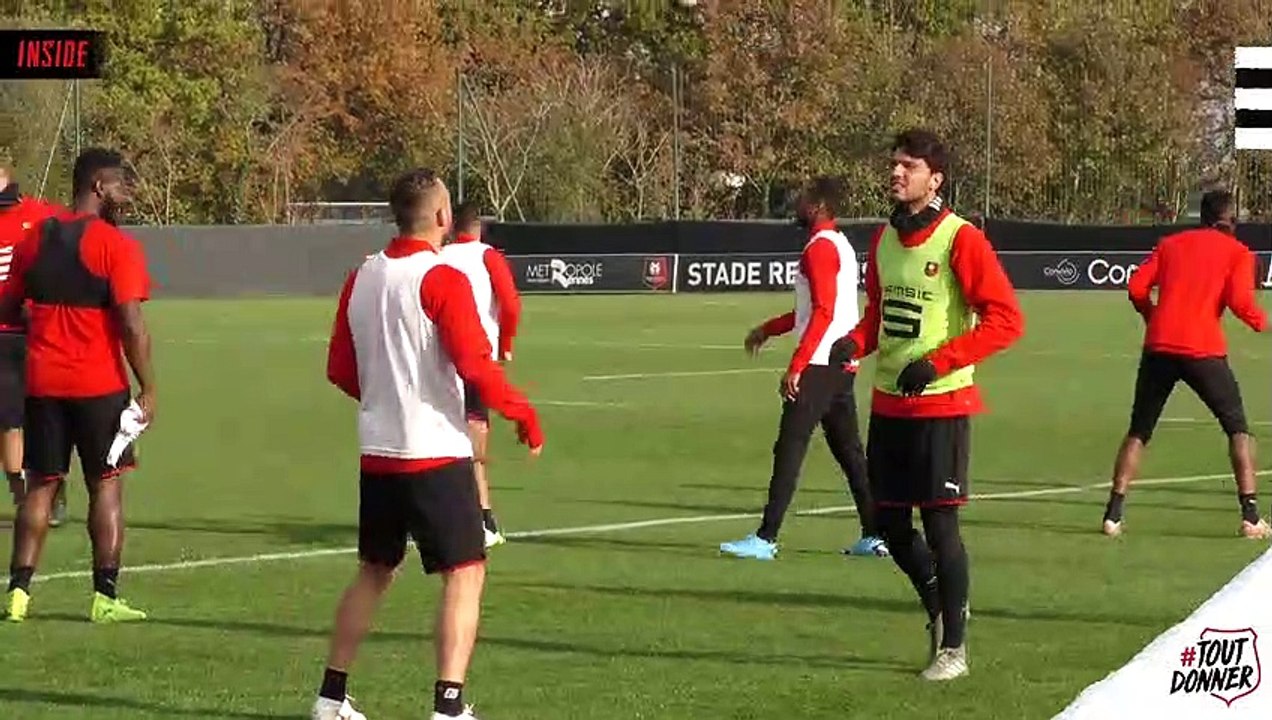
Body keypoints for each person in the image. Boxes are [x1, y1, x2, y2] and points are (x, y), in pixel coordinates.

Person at [312, 168, 544, 720]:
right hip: (434, 453)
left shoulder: (362, 276)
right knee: (465, 571)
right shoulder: (442, 278)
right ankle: (449, 707)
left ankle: (330, 698)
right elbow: (475, 364)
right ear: (442, 216)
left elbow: (340, 368)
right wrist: (522, 412)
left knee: (374, 570)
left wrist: (385, 399)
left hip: (378, 453)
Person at [830, 129, 1024, 681]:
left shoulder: (961, 239)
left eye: (909, 166)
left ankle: (953, 649)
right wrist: (855, 341)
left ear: (934, 180)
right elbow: (879, 315)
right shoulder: (883, 239)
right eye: (894, 164)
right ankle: (940, 603)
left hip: (942, 403)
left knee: (941, 528)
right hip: (889, 404)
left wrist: (939, 363)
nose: (897, 173)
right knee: (888, 527)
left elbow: (1006, 320)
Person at [1, 148, 155, 624]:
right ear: (98, 186)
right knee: (105, 485)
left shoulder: (35, 238)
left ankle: (18, 594)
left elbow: (11, 306)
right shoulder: (116, 246)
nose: (124, 195)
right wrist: (148, 387)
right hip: (97, 385)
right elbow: (132, 323)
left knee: (40, 487)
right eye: (119, 186)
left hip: (42, 383)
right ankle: (105, 597)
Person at [719, 177, 886, 560]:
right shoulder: (839, 244)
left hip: (820, 364)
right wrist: (767, 330)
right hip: (841, 363)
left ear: (818, 206)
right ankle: (876, 534)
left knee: (790, 448)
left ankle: (766, 538)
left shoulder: (820, 248)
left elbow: (823, 312)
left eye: (804, 199)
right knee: (850, 454)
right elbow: (810, 311)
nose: (797, 205)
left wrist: (797, 366)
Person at [1102, 189, 1271, 540]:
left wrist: (1152, 317)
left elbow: (1136, 287)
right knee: (1238, 429)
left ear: (1202, 217)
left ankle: (1113, 516)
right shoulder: (1239, 253)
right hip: (1203, 349)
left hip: (1159, 346)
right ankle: (1251, 517)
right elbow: (1240, 301)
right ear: (1232, 221)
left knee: (1139, 430)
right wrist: (1262, 323)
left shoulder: (1170, 244)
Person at [440, 201, 523, 549]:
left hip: (441, 358)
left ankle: (435, 515)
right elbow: (511, 304)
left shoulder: (438, 256)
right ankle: (481, 519)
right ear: (479, 228)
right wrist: (506, 344)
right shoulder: (487, 256)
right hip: (477, 356)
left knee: (441, 434)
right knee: (474, 437)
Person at [0, 168, 64, 521]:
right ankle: (22, 499)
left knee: (45, 414)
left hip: (38, 332)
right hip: (2, 338)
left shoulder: (41, 215)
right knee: (9, 421)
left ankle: (53, 489)